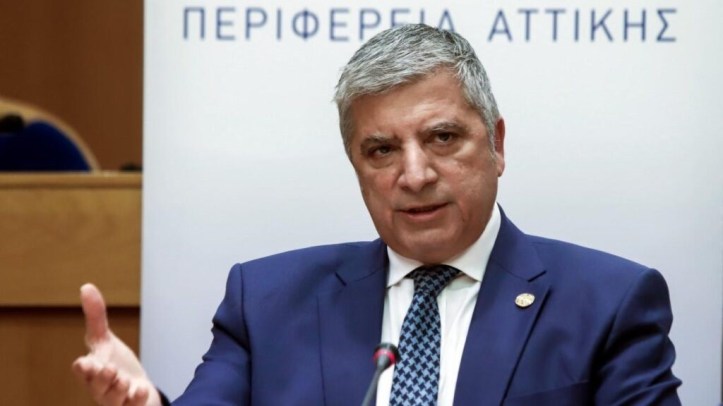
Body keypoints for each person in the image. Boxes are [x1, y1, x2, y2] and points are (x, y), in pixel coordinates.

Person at [72, 24, 681, 405]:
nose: (414, 175)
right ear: (355, 164)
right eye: (382, 150)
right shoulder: (266, 301)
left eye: (443, 138)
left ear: (496, 144)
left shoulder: (608, 303)